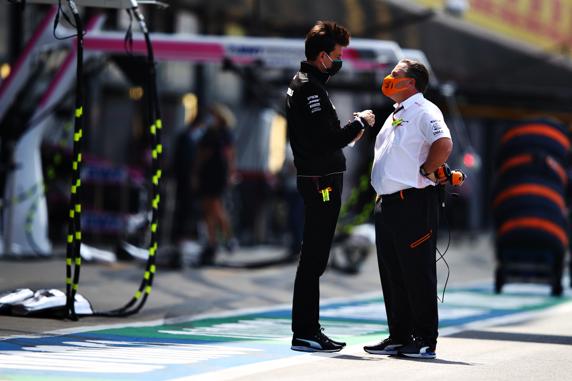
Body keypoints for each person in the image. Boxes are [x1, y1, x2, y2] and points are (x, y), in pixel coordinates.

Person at [286, 20, 375, 352]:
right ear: (323, 57)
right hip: (320, 181)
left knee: (315, 258)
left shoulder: (308, 85)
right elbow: (328, 139)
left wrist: (348, 129)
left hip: (319, 178)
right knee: (314, 259)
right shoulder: (310, 88)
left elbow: (324, 136)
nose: (339, 62)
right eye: (337, 55)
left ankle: (307, 329)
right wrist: (359, 122)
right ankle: (306, 331)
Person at [364, 59, 453, 359]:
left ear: (411, 82)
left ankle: (426, 339)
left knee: (417, 272)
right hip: (387, 204)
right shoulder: (396, 114)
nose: (390, 77)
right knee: (392, 274)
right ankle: (399, 336)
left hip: (412, 203)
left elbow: (443, 143)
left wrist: (430, 169)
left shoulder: (425, 111)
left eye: (396, 74)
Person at [193, 103, 238, 266]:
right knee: (207, 209)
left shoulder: (225, 133)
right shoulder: (208, 133)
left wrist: (231, 173)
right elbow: (200, 154)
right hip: (207, 173)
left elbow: (230, 154)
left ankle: (228, 236)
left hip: (218, 173)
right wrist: (196, 173)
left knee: (215, 205)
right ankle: (212, 242)